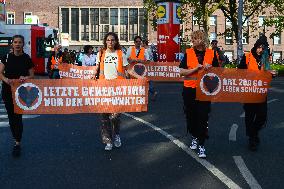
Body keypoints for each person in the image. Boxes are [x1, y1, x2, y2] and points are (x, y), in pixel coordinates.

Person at [95, 32, 144, 151]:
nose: (110, 42)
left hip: (118, 88)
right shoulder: (101, 54)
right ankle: (107, 140)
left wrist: (140, 78)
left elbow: (129, 70)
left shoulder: (120, 54)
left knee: (115, 116)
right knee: (104, 116)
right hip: (103, 88)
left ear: (116, 41)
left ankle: (116, 135)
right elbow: (96, 69)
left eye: (112, 40)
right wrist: (91, 76)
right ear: (105, 41)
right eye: (108, 40)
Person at [179, 30, 219, 158]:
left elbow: (219, 72)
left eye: (195, 38)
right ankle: (194, 136)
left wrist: (210, 68)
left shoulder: (212, 53)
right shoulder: (189, 52)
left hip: (205, 91)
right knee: (191, 117)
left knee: (203, 117)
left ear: (202, 39)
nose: (193, 41)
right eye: (193, 39)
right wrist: (194, 69)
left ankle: (201, 144)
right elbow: (181, 71)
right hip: (189, 90)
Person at [238, 35, 276, 151]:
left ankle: (253, 132)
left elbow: (266, 73)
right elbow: (239, 72)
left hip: (261, 92)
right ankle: (252, 138)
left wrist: (271, 74)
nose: (261, 50)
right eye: (259, 47)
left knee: (262, 116)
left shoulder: (265, 58)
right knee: (250, 116)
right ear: (255, 47)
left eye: (263, 48)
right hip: (249, 93)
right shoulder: (247, 57)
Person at [0, 35, 34, 157]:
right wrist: (6, 79)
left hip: (21, 92)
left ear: (23, 44)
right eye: (15, 42)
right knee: (11, 117)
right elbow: (0, 73)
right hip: (7, 90)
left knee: (18, 117)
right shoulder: (7, 57)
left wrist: (25, 78)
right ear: (12, 44)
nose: (17, 44)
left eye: (20, 42)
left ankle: (17, 142)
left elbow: (32, 75)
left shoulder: (26, 58)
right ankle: (16, 137)